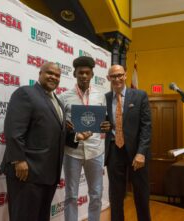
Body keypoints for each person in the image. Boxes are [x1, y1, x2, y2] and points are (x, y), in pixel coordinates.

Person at [1, 62, 65, 221]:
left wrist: (77, 137)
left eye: (57, 75)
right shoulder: (26, 93)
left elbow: (54, 133)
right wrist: (19, 160)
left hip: (48, 174)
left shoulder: (57, 102)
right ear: (40, 73)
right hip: (26, 173)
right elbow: (13, 130)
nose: (53, 77)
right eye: (49, 73)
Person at [58, 56, 110, 221]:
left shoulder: (100, 96)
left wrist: (106, 126)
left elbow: (105, 120)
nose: (84, 76)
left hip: (96, 151)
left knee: (96, 194)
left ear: (92, 74)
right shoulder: (64, 97)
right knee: (71, 195)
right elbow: (58, 125)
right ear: (74, 74)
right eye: (81, 73)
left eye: (87, 73)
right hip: (72, 152)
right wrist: (67, 127)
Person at [105, 64, 152, 221]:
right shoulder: (104, 98)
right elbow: (103, 123)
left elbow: (147, 127)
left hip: (136, 154)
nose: (117, 79)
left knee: (141, 195)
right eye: (113, 76)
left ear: (125, 75)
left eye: (120, 75)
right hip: (114, 151)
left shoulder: (140, 96)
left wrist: (141, 152)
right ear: (108, 78)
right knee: (115, 197)